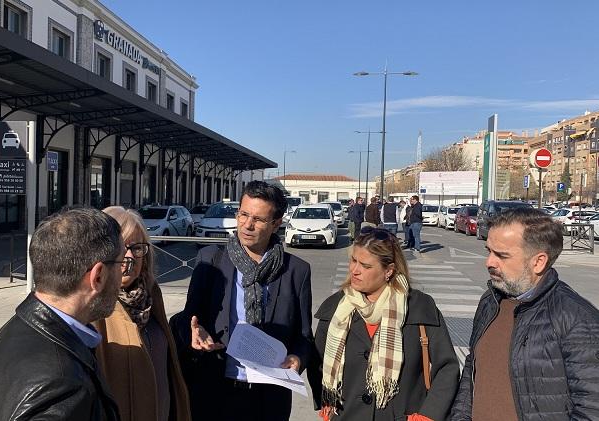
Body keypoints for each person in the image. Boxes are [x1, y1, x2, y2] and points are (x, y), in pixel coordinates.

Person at [175, 180, 313, 421]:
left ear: (276, 223)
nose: (247, 225)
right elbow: (190, 317)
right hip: (216, 390)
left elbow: (303, 336)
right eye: (243, 215)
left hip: (269, 397)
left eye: (258, 219)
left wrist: (298, 358)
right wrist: (194, 333)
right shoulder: (210, 261)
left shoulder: (296, 271)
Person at [0, 208, 123, 421]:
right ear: (98, 276)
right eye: (121, 263)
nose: (123, 275)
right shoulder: (64, 386)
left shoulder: (16, 329)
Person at [449, 208, 599, 420]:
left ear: (538, 262)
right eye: (488, 251)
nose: (489, 262)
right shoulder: (490, 301)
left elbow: (592, 408)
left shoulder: (577, 318)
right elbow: (472, 371)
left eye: (501, 255)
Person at [309, 226, 460, 421]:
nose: (355, 270)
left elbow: (447, 366)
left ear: (388, 270)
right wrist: (326, 401)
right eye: (353, 261)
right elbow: (317, 361)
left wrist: (429, 414)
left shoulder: (419, 307)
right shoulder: (336, 309)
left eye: (366, 266)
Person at [94, 207, 191, 421]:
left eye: (136, 248)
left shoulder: (150, 295)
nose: (129, 257)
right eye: (120, 248)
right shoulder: (94, 309)